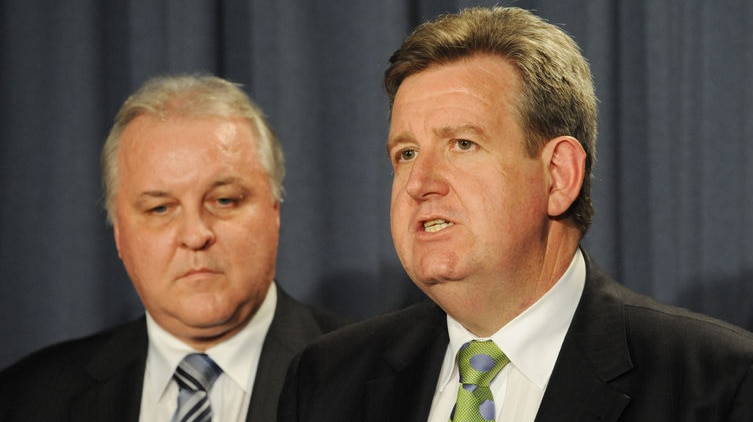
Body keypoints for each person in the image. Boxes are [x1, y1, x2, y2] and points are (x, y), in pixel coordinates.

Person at [278, 6, 753, 422]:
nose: (419, 183)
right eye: (405, 154)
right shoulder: (327, 380)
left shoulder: (715, 382)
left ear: (558, 175)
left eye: (462, 144)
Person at [0, 74, 349, 421]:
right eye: (160, 208)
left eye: (224, 200)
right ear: (119, 235)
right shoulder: (28, 398)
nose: (196, 235)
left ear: (275, 211)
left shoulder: (362, 378)